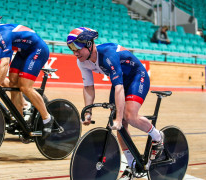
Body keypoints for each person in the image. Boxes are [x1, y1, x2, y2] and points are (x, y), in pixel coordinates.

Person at [67, 27, 164, 180]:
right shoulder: (82, 62)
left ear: (89, 44)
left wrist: (120, 118)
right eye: (71, 49)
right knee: (118, 125)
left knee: (128, 116)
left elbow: (119, 87)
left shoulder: (107, 55)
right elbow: (88, 87)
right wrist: (87, 112)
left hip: (137, 77)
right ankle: (131, 165)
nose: (75, 53)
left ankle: (157, 136)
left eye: (77, 48)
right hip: (120, 81)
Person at [0, 14, 54, 138]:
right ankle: (20, 119)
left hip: (37, 50)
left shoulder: (3, 35)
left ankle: (47, 118)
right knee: (13, 82)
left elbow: (5, 63)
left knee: (25, 87)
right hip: (23, 51)